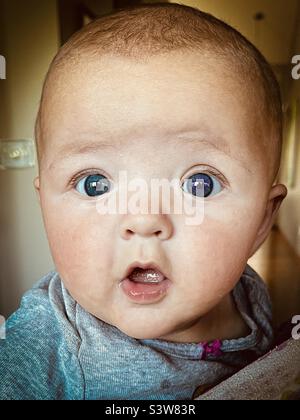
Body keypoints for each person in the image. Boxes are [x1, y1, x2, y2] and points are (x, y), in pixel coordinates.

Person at [0, 3, 287, 400]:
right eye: (94, 184)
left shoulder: (250, 295)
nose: (143, 218)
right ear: (44, 206)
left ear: (261, 221)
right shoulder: (41, 345)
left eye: (199, 184)